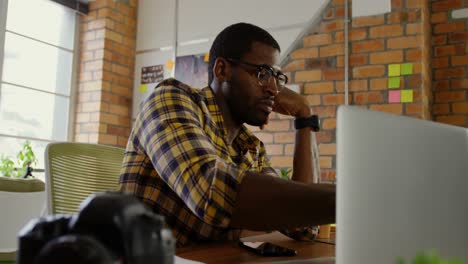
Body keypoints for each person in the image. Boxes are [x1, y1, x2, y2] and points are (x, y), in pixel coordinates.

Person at [119, 22, 335, 247]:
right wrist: (347, 199)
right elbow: (212, 192)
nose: (273, 89)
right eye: (262, 73)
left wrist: (305, 117)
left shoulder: (250, 147)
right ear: (222, 69)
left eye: (277, 78)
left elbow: (302, 226)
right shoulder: (169, 100)